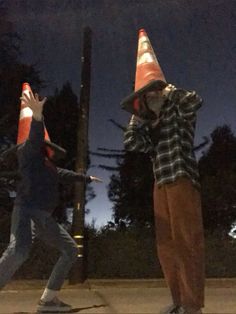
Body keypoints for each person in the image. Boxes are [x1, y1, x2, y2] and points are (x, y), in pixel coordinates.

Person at [0, 91, 102, 313]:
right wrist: (38, 117)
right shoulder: (27, 154)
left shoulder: (47, 165)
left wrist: (85, 178)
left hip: (44, 217)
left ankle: (48, 300)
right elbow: (34, 139)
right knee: (19, 249)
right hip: (26, 210)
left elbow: (63, 173)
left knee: (69, 249)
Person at [123, 82, 205, 314]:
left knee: (186, 242)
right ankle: (178, 301)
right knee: (166, 247)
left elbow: (195, 100)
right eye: (146, 94)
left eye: (155, 90)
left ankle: (192, 305)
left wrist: (171, 92)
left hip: (182, 178)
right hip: (160, 184)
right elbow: (131, 143)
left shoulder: (179, 112)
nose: (152, 95)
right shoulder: (151, 126)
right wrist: (136, 118)